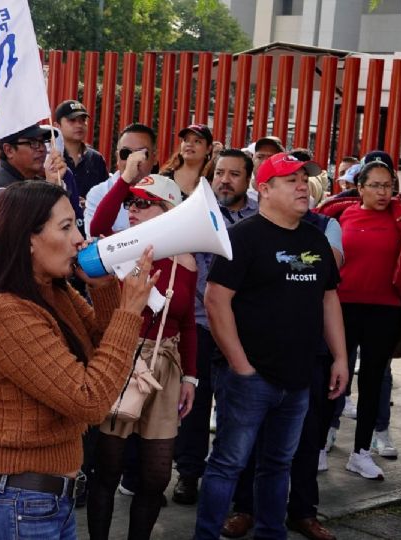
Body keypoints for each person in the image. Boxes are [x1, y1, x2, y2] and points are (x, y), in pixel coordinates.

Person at [0, 180, 159, 538]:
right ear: (28, 239)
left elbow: (101, 350)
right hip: (18, 504)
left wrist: (104, 287)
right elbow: (91, 399)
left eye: (76, 224)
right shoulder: (7, 312)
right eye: (66, 227)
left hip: (42, 502)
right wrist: (129, 311)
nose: (80, 238)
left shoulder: (50, 291)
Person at [195, 153, 348, 540]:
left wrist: (342, 358)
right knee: (228, 463)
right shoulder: (244, 237)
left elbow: (329, 299)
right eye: (290, 179)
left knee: (279, 464)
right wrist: (241, 366)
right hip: (250, 378)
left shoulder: (315, 237)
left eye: (304, 178)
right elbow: (215, 300)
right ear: (264, 189)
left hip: (298, 377)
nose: (303, 186)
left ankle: (270, 533)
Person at [317, 157, 401, 480]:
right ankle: (318, 446)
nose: (383, 192)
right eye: (375, 186)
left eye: (388, 186)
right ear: (360, 188)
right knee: (333, 377)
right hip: (342, 307)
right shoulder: (340, 213)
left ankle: (361, 452)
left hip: (385, 309)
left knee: (373, 382)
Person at [88, 170, 197, 540]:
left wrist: (191, 378)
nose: (132, 210)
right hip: (122, 359)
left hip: (165, 366)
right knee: (107, 468)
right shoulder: (123, 245)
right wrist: (125, 179)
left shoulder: (187, 259)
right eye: (129, 203)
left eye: (143, 204)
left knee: (156, 476)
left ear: (168, 210)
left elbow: (188, 324)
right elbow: (98, 224)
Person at [171, 148, 258, 508]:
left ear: (248, 180)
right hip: (201, 323)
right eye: (219, 172)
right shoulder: (194, 210)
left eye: (234, 174)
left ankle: (233, 483)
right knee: (193, 404)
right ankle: (189, 474)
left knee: (236, 408)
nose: (224, 179)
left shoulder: (260, 218)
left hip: (244, 328)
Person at [84, 123, 159, 238]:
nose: (133, 160)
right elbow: (96, 239)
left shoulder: (163, 191)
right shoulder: (99, 193)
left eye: (142, 153)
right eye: (126, 153)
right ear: (117, 157)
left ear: (154, 158)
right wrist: (127, 178)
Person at [53, 99, 108, 199]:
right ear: (57, 126)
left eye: (83, 120)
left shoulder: (96, 159)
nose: (79, 125)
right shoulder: (51, 157)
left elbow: (105, 195)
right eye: (72, 120)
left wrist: (89, 204)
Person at [161, 124, 214, 197]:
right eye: (186, 140)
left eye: (197, 141)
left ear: (208, 149)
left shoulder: (213, 182)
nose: (189, 144)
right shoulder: (164, 177)